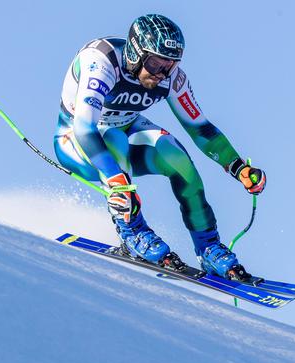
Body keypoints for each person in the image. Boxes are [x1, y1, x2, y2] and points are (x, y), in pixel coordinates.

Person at [53, 14, 266, 281]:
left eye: (170, 65)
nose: (161, 74)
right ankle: (132, 232)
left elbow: (200, 128)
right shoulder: (100, 62)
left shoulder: (172, 78)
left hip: (127, 128)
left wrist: (237, 167)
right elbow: (85, 129)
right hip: (76, 141)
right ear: (135, 52)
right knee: (115, 141)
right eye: (155, 63)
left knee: (175, 155)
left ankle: (208, 246)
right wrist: (116, 180)